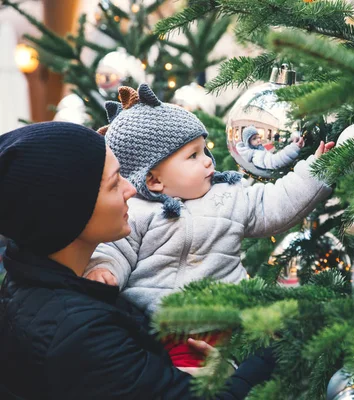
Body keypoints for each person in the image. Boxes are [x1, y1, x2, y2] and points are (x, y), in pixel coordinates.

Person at [0, 122, 275, 399]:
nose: (131, 189)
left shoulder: (33, 279)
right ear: (71, 208)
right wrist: (263, 356)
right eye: (114, 182)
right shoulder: (82, 333)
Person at [84, 84, 334, 369]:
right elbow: (116, 249)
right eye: (193, 156)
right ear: (153, 180)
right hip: (164, 335)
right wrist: (104, 269)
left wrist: (317, 172)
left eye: (204, 150)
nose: (207, 162)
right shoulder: (138, 212)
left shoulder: (228, 195)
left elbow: (274, 203)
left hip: (233, 328)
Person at [235, 125, 304, 170]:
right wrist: (293, 148)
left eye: (258, 137)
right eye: (254, 138)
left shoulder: (259, 148)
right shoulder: (256, 155)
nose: (258, 140)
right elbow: (273, 161)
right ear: (248, 143)